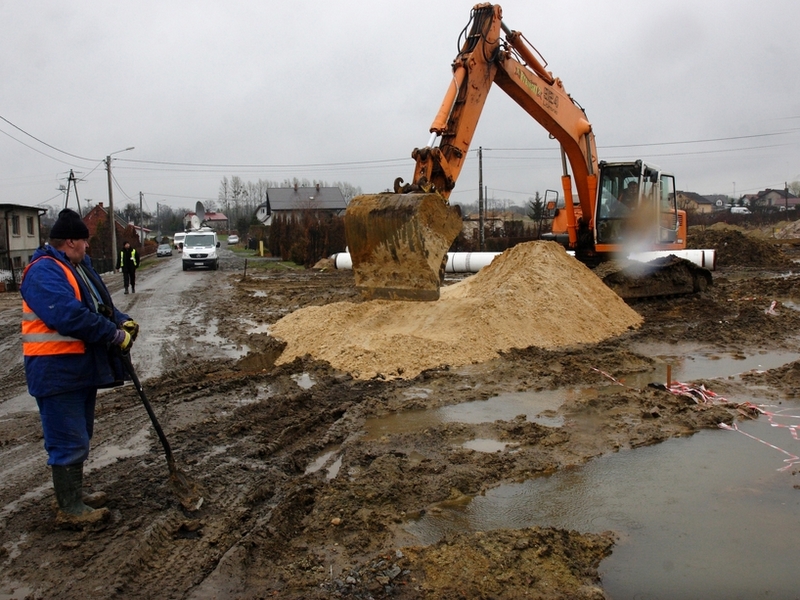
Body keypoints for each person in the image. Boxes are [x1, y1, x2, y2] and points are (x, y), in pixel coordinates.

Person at [20, 208, 139, 527]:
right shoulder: (43, 272)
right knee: (67, 439)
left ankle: (73, 493)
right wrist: (113, 335)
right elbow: (68, 315)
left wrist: (121, 320)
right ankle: (69, 507)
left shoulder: (75, 268)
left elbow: (99, 307)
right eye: (84, 241)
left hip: (77, 368)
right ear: (70, 241)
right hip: (56, 370)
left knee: (80, 434)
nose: (88, 247)